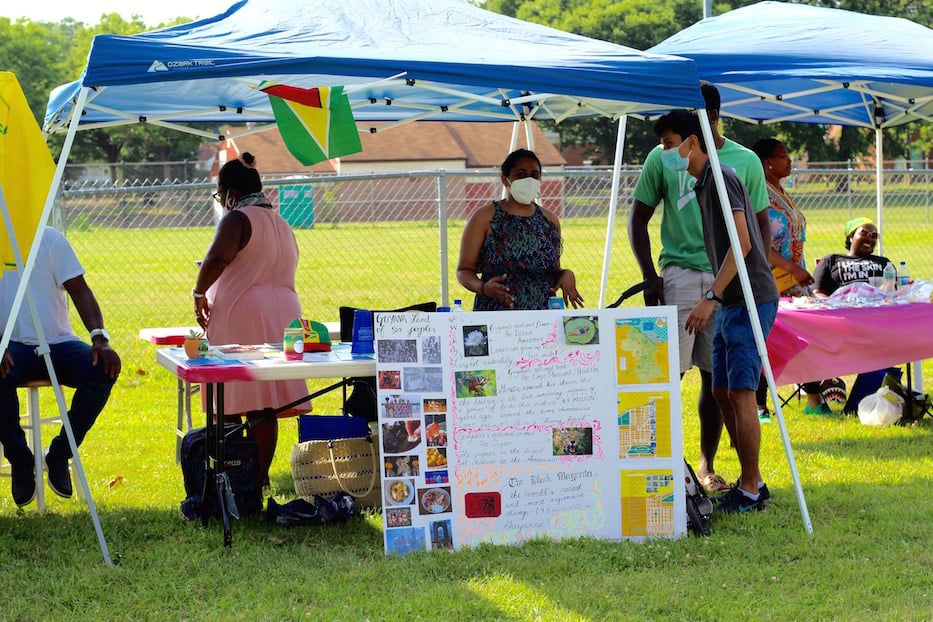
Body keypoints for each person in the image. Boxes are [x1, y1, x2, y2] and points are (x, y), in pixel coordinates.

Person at [629, 81, 770, 494]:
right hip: (684, 275)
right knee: (678, 375)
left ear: (706, 121)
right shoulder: (672, 161)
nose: (668, 149)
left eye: (675, 139)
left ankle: (731, 475)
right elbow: (638, 217)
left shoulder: (734, 165)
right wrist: (652, 276)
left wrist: (721, 293)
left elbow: (750, 236)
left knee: (724, 382)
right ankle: (676, 465)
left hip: (734, 286)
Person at [657, 109, 779, 514]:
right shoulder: (704, 181)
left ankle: (750, 489)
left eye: (670, 143)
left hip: (749, 297)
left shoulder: (721, 178)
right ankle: (749, 481)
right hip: (732, 300)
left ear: (693, 142)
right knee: (722, 390)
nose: (665, 151)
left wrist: (710, 295)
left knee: (742, 393)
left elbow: (743, 242)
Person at [192, 153, 309, 484]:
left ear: (229, 192)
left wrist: (199, 293)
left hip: (241, 315)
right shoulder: (282, 223)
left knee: (227, 400)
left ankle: (233, 480)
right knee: (263, 404)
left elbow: (217, 258)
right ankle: (259, 477)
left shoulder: (237, 219)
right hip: (283, 317)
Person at [0, 226, 121, 506]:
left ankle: (59, 454)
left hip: (58, 344)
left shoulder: (50, 238)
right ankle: (20, 460)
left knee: (102, 368)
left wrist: (99, 338)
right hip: (11, 346)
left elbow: (80, 290)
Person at [750, 138, 825, 417]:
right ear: (767, 163)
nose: (789, 161)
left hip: (795, 281)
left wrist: (798, 269)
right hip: (770, 281)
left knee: (804, 338)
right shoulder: (759, 195)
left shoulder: (781, 192)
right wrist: (792, 269)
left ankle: (814, 401)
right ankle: (759, 405)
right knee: (767, 341)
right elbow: (760, 242)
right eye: (783, 157)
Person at [457, 148, 583, 311]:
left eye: (534, 175)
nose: (529, 180)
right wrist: (483, 287)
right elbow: (464, 271)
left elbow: (553, 270)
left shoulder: (549, 221)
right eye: (521, 174)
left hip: (543, 318)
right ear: (505, 179)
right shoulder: (484, 218)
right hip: (496, 314)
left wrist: (566, 274)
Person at [811, 217, 893, 297]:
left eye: (873, 236)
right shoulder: (831, 260)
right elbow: (817, 292)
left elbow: (895, 289)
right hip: (843, 308)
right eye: (864, 234)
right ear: (851, 237)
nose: (869, 239)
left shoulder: (884, 263)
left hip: (876, 307)